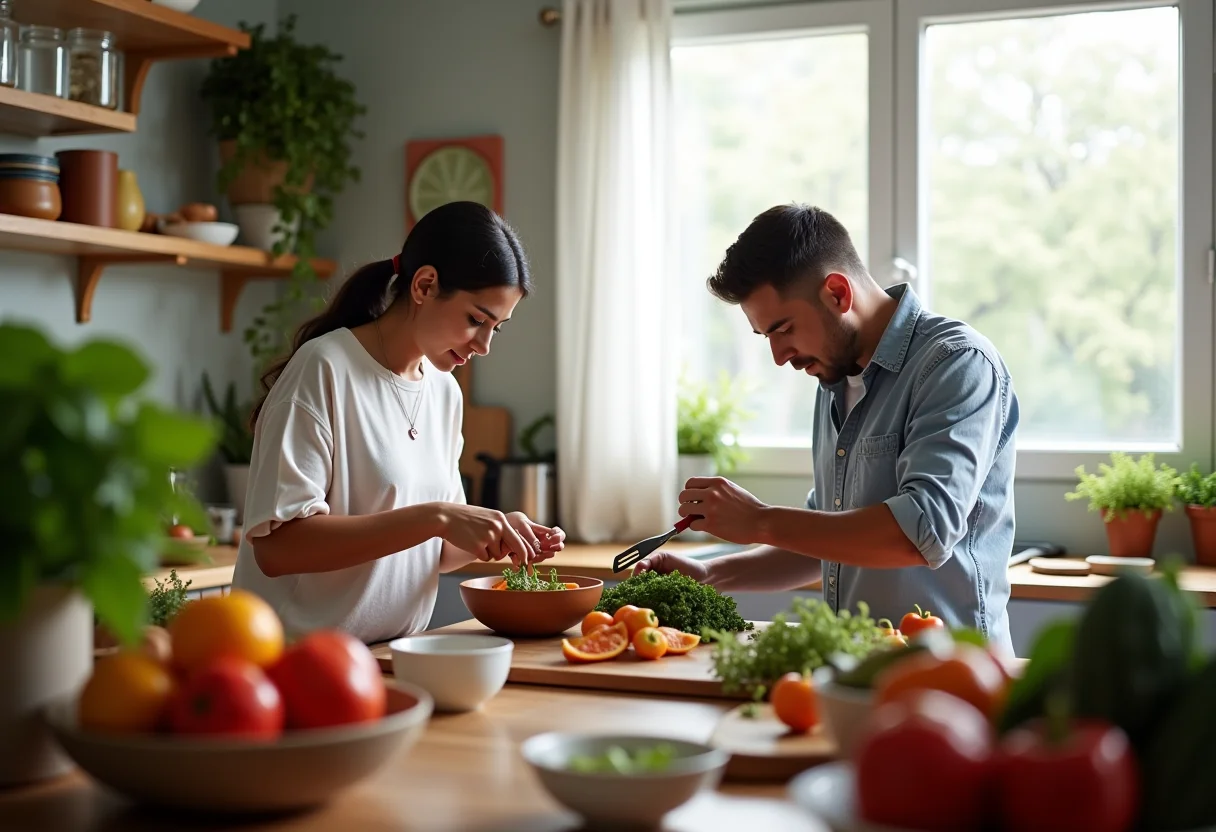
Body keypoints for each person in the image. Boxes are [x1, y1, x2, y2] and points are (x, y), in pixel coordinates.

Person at [636, 204, 1019, 653]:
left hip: (955, 681)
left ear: (837, 293)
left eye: (783, 329)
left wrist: (760, 520)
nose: (779, 356)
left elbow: (922, 532)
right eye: (767, 338)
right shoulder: (834, 379)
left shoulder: (955, 363)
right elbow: (828, 541)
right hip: (855, 676)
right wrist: (713, 574)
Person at [231, 201, 565, 643]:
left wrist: (498, 529)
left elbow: (438, 551)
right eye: (475, 320)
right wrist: (438, 517)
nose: (483, 345)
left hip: (391, 658)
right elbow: (278, 547)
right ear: (425, 285)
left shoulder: (444, 391)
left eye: (496, 328)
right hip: (293, 665)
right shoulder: (325, 368)